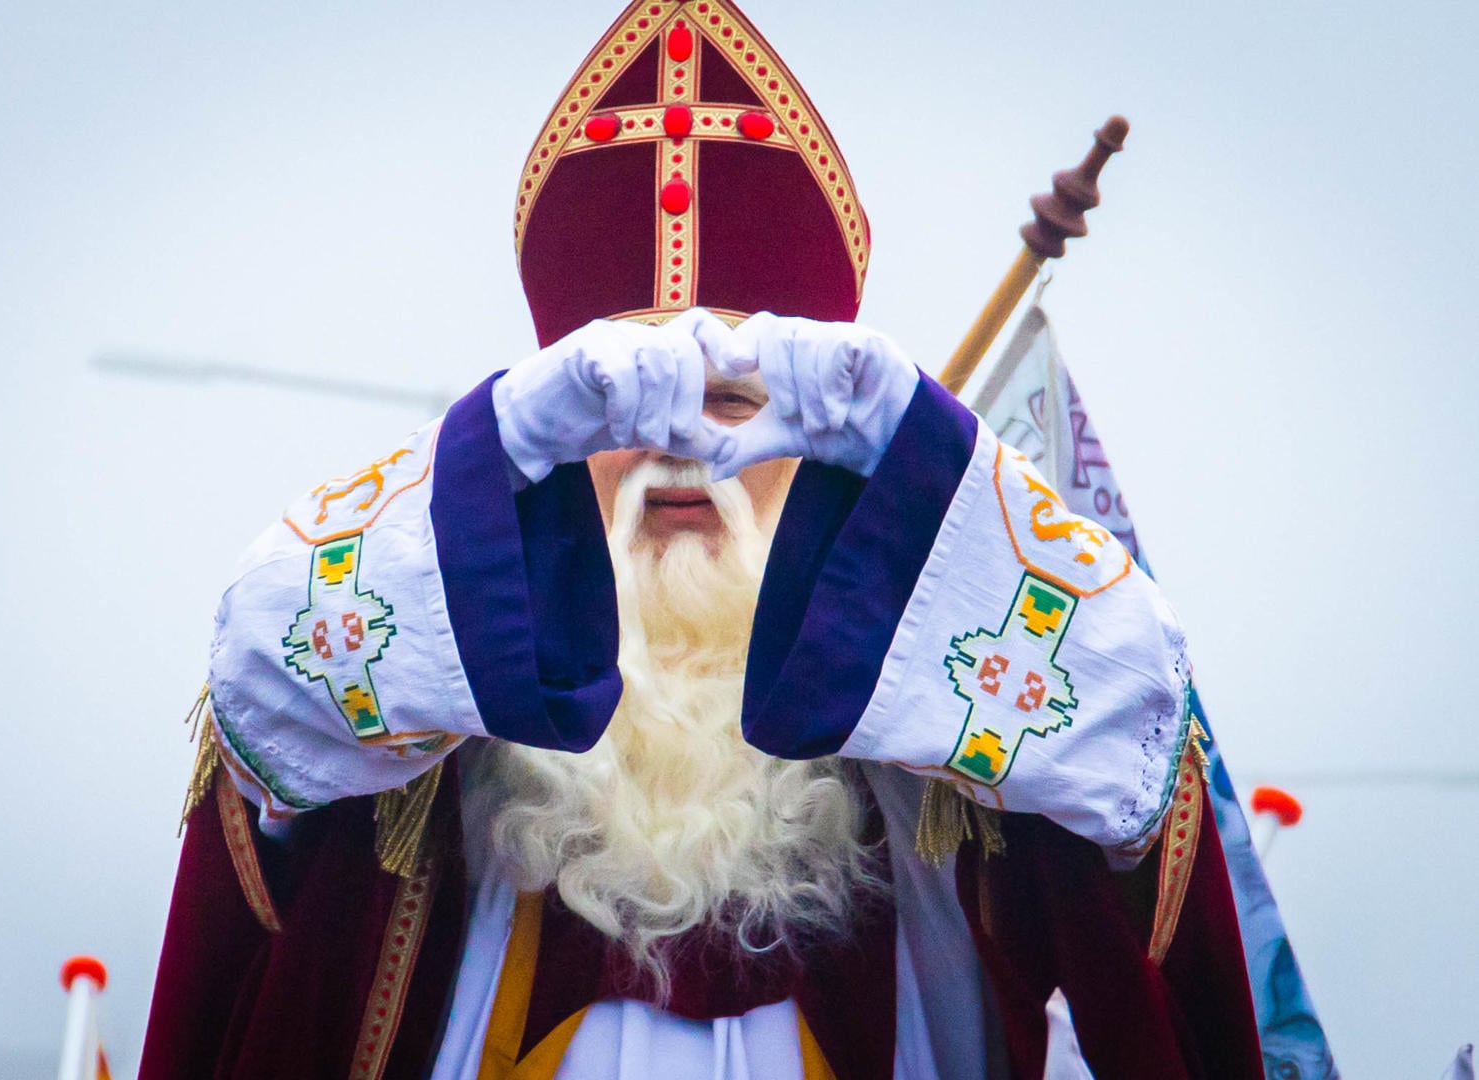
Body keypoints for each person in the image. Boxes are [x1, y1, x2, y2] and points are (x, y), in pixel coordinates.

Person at [140, 2, 1262, 1077]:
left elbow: (1134, 727)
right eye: (620, 405)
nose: (681, 448)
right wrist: (488, 450)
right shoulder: (428, 700)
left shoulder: (934, 717)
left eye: (733, 400)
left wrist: (929, 463)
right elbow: (260, 671)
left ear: (818, 432)